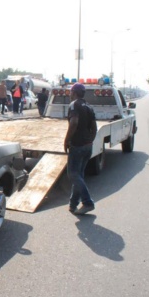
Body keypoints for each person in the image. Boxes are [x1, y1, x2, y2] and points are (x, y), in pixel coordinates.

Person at [64, 82, 97, 215]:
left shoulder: (74, 105)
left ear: (74, 93)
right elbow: (94, 127)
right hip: (87, 145)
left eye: (71, 92)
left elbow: (74, 123)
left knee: (72, 174)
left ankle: (87, 202)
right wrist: (90, 141)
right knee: (79, 175)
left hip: (77, 145)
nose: (70, 94)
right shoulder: (89, 107)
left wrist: (66, 140)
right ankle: (73, 204)